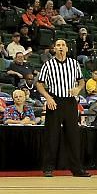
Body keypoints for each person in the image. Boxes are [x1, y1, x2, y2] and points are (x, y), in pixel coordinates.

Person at [36, 39, 90, 177]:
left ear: (67, 48)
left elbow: (81, 81)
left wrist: (78, 89)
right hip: (54, 100)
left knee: (73, 136)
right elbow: (40, 84)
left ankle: (77, 169)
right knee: (52, 135)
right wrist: (48, 98)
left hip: (70, 102)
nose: (60, 47)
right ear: (54, 48)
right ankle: (48, 167)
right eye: (58, 45)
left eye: (63, 45)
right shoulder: (48, 64)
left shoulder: (74, 63)